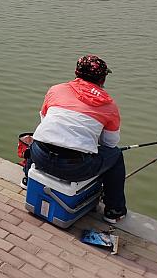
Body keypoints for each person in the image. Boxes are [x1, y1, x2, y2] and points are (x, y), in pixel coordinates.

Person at [27, 55, 127, 224]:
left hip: (40, 156)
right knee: (116, 155)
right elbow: (110, 144)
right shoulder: (109, 105)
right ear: (102, 79)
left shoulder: (56, 89)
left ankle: (27, 179)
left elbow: (44, 121)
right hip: (76, 168)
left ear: (76, 73)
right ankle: (114, 211)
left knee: (37, 136)